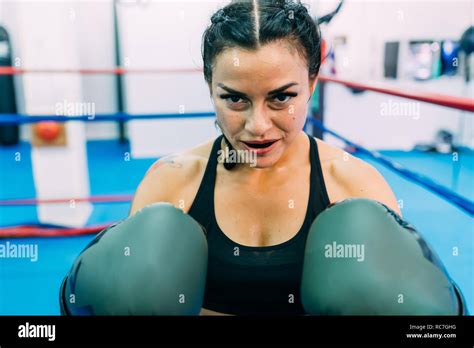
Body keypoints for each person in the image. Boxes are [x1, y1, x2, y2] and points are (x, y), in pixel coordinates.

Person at [60, 0, 465, 316]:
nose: (258, 126)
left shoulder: (354, 184)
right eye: (235, 98)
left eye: (281, 97)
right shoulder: (172, 182)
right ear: (210, 87)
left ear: (312, 83)